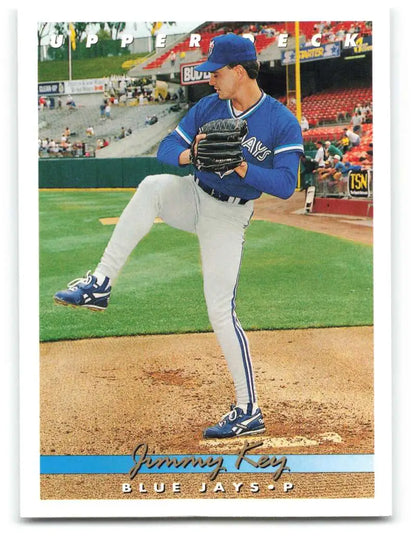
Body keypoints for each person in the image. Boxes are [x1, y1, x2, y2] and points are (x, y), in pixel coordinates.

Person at [53, 33, 304, 440]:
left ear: (239, 72)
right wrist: (191, 155)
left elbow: (285, 184)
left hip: (229, 216)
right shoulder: (208, 106)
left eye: (217, 72)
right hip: (193, 195)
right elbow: (168, 148)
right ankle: (100, 283)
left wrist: (241, 167)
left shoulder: (279, 120)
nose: (210, 79)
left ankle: (248, 409)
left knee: (220, 310)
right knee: (153, 185)